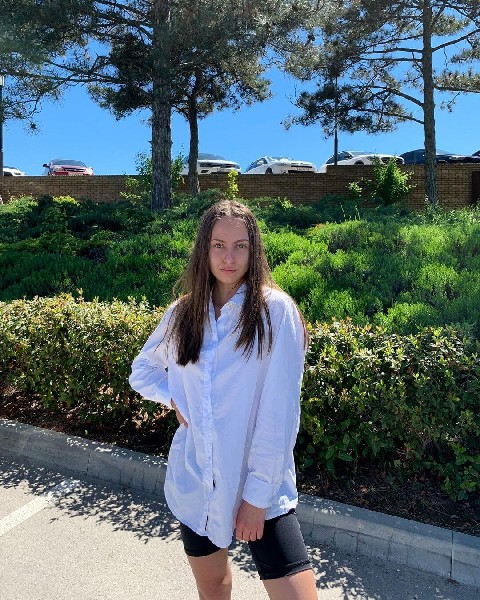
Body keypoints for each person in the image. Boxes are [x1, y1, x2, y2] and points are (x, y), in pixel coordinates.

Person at [129, 199, 317, 600]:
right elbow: (142, 371)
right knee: (213, 588)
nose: (229, 258)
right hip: (196, 482)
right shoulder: (183, 313)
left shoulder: (275, 312)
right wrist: (176, 399)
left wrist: (256, 499)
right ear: (204, 249)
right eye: (219, 245)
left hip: (258, 486)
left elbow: (280, 414)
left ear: (254, 250)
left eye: (240, 246)